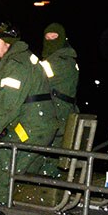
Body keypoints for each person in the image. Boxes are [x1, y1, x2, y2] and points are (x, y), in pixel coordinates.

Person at [0, 22, 60, 201]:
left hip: (31, 128)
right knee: (24, 178)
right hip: (38, 126)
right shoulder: (23, 58)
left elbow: (8, 102)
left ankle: (0, 213)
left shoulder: (16, 63)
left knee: (1, 175)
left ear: (8, 43)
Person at [37, 22, 80, 177]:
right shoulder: (67, 59)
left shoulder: (59, 62)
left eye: (54, 37)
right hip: (62, 115)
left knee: (46, 159)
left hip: (56, 116)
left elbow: (35, 80)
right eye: (47, 37)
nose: (50, 40)